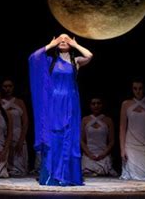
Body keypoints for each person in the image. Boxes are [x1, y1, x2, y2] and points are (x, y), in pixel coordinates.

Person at [29, 33, 93, 186]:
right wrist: (50, 45)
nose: (63, 41)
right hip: (53, 104)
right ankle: (51, 176)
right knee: (54, 137)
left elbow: (89, 55)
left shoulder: (75, 61)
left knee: (69, 138)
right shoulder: (49, 61)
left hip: (70, 103)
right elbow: (33, 58)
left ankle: (67, 175)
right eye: (60, 39)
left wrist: (76, 44)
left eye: (66, 40)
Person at [119, 78, 145, 180]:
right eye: (135, 88)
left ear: (144, 89)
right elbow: (122, 127)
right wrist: (122, 149)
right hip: (131, 145)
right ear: (132, 89)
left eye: (140, 88)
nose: (138, 91)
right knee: (132, 176)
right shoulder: (126, 104)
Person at [81, 97, 118, 176]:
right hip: (89, 154)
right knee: (86, 170)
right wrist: (89, 154)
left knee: (104, 170)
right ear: (90, 105)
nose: (96, 106)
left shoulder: (108, 120)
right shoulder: (85, 120)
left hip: (103, 154)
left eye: (98, 103)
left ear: (102, 105)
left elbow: (111, 141)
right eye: (93, 104)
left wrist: (103, 154)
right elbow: (82, 140)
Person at [1, 79, 29, 177]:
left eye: (10, 86)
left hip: (18, 133)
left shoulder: (19, 102)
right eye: (5, 86)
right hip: (5, 134)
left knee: (20, 169)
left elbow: (25, 122)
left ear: (13, 87)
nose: (7, 88)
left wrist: (21, 139)